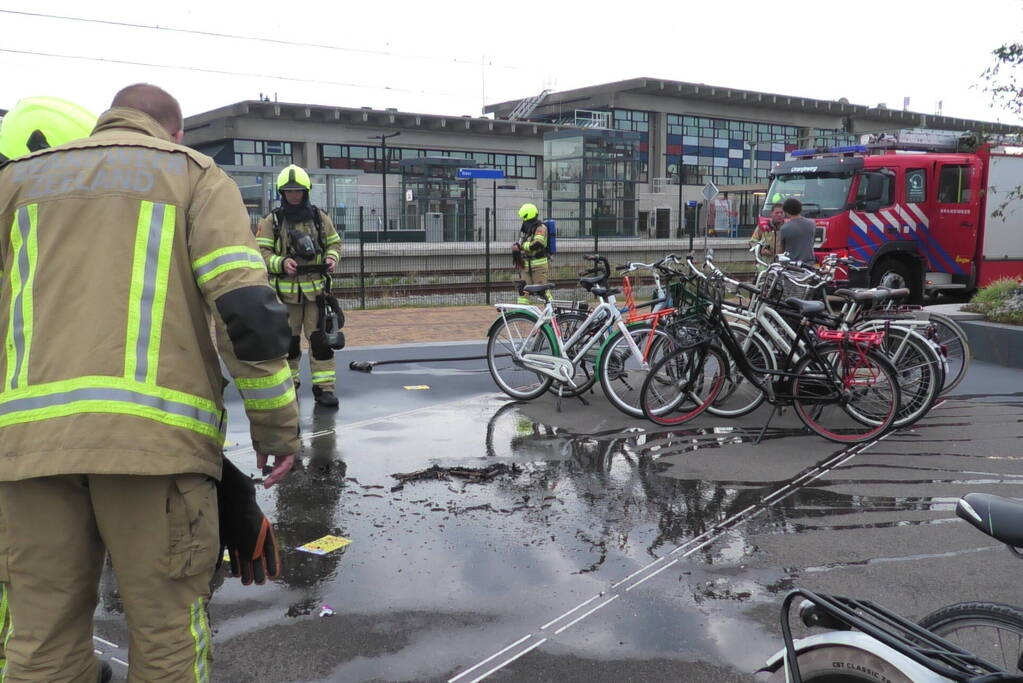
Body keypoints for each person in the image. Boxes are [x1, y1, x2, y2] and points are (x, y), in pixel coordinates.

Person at [0, 83, 300, 682]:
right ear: (175, 132)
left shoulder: (16, 184)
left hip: (26, 452)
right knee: (165, 637)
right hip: (154, 454)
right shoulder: (193, 175)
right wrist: (275, 428)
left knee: (38, 640)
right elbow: (244, 312)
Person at [256, 165, 343, 408]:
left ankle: (324, 389)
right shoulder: (272, 221)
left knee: (321, 343)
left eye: (298, 191)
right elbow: (261, 252)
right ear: (282, 193)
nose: (294, 195)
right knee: (289, 345)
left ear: (306, 192)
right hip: (285, 298)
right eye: (289, 191)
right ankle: (289, 387)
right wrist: (281, 263)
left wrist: (331, 259)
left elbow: (335, 244)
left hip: (317, 296)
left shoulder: (319, 217)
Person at [513, 203, 551, 304]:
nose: (523, 221)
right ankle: (522, 315)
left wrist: (522, 246)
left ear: (528, 215)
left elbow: (538, 244)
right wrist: (516, 246)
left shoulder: (541, 228)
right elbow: (522, 242)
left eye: (524, 218)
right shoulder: (527, 230)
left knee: (543, 292)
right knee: (523, 290)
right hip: (526, 265)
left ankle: (553, 314)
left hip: (539, 265)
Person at [779, 197, 817, 264]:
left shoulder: (784, 228)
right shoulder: (812, 223)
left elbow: (782, 249)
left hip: (792, 265)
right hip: (809, 263)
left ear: (786, 212)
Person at [750, 202, 785, 269]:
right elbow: (753, 241)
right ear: (771, 214)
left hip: (781, 268)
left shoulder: (787, 228)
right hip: (765, 266)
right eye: (777, 213)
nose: (779, 215)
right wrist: (761, 250)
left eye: (781, 212)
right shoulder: (763, 227)